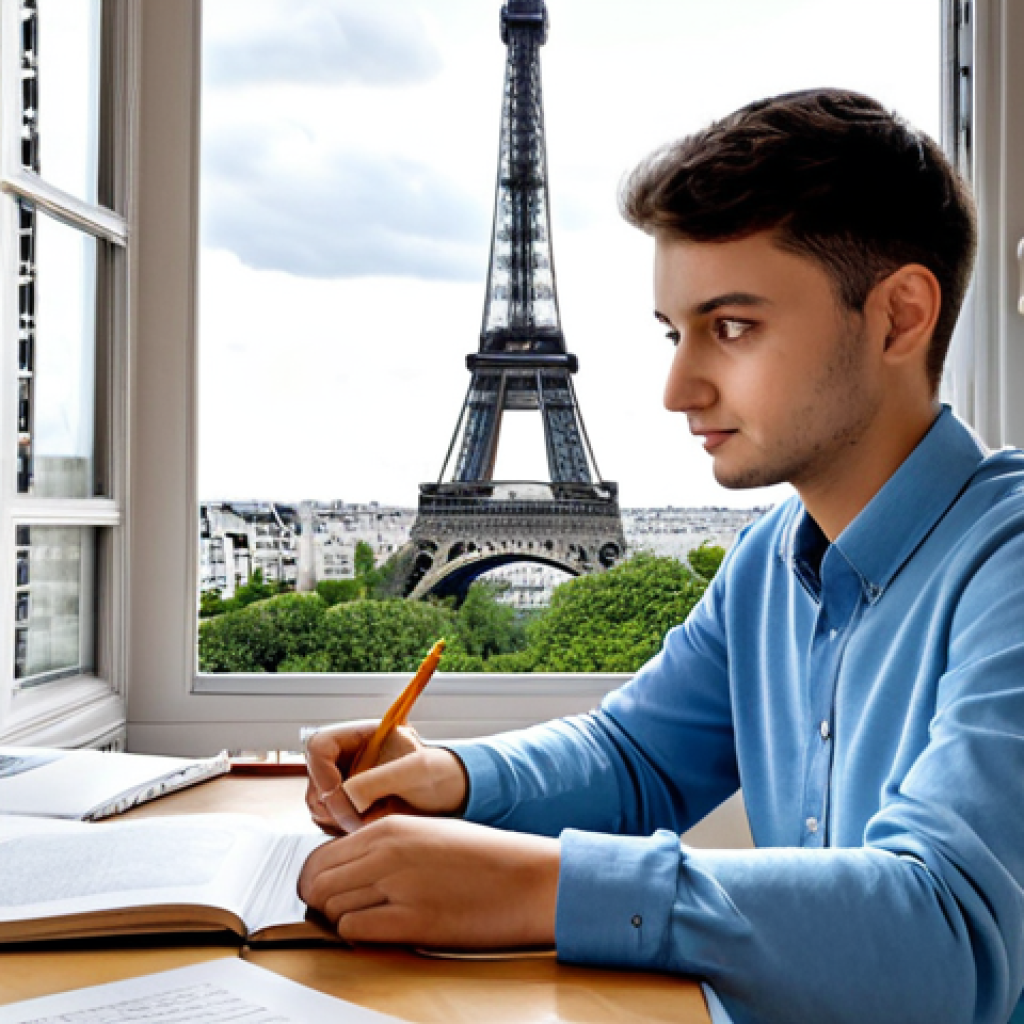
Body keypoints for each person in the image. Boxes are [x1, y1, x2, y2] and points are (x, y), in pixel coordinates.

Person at [298, 88, 1024, 1024]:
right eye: (674, 333)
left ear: (898, 318)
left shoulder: (1009, 567)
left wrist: (541, 888)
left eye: (731, 327)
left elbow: (953, 936)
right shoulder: (769, 562)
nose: (679, 388)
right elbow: (637, 756)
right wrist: (458, 776)